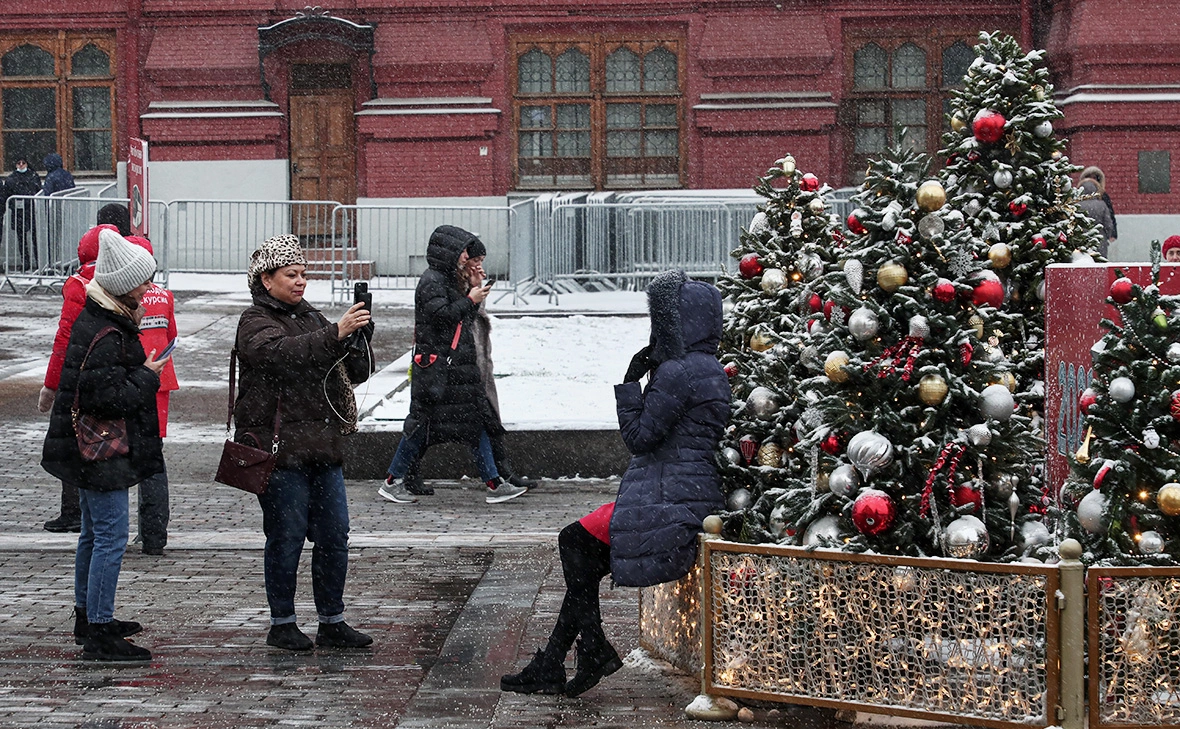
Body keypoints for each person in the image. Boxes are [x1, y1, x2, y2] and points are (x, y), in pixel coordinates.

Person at [500, 270, 730, 697]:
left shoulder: (679, 371)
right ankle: (559, 659)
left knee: (573, 542)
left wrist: (630, 383)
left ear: (678, 322)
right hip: (689, 492)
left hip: (668, 498)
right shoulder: (710, 367)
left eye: (663, 320)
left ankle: (591, 648)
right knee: (583, 562)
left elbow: (639, 437)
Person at [235, 234, 375, 651]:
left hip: (322, 446)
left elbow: (351, 373)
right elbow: (281, 355)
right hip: (280, 451)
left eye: (303, 274)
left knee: (334, 535)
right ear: (266, 279)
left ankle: (332, 621)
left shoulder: (312, 317)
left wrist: (357, 340)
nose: (300, 282)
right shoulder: (254, 321)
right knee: (287, 536)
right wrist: (334, 334)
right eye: (291, 275)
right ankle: (282, 623)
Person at [41, 227, 165, 662]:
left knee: (94, 535)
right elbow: (108, 399)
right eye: (144, 281)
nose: (149, 289)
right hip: (100, 451)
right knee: (111, 536)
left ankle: (89, 615)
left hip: (85, 450)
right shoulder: (108, 332)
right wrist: (147, 375)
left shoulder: (100, 317)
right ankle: (99, 629)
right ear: (123, 285)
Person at [378, 225, 528, 505]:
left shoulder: (445, 279)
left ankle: (495, 483)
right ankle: (392, 480)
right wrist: (470, 299)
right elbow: (442, 317)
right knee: (423, 425)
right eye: (463, 252)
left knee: (473, 422)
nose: (465, 257)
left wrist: (473, 292)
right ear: (448, 251)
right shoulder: (432, 281)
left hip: (454, 369)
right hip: (440, 369)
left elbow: (461, 320)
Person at [39, 223, 119, 532]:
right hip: (111, 373)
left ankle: (74, 511)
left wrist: (51, 385)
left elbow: (64, 340)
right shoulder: (123, 281)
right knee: (106, 440)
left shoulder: (79, 284)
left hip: (78, 375)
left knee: (73, 442)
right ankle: (107, 510)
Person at [127, 235, 176, 555]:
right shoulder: (165, 296)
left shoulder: (122, 296)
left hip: (129, 379)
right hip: (160, 379)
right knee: (153, 455)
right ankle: (154, 533)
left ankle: (119, 529)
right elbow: (172, 335)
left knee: (120, 451)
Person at [7, 155, 42, 271]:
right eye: (19, 163)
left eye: (23, 163)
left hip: (32, 211)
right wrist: (14, 205)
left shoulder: (33, 176)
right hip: (18, 213)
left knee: (35, 238)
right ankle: (25, 262)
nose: (21, 165)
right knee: (21, 239)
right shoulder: (11, 178)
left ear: (27, 164)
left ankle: (39, 261)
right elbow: (7, 195)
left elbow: (38, 191)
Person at [1077, 177, 1114, 257]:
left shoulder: (1077, 205)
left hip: (1081, 239)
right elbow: (1108, 224)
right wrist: (1106, 236)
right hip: (1099, 239)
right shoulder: (1102, 205)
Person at [1081, 166, 1117, 243]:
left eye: (1094, 177)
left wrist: (1113, 233)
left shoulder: (1103, 196)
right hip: (1097, 236)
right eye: (1089, 177)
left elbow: (1110, 214)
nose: (1091, 180)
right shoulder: (1079, 195)